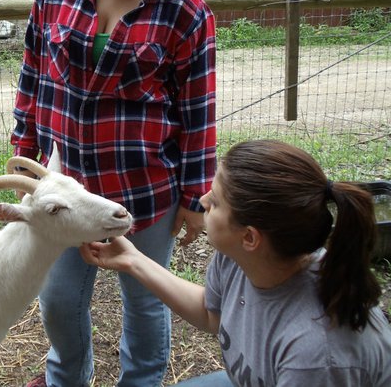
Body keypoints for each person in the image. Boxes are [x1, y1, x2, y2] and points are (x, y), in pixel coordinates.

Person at [11, 0, 216, 387]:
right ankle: (65, 378)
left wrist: (195, 198)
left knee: (146, 303)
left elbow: (198, 113)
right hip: (64, 186)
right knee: (57, 299)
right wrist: (25, 150)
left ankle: (141, 382)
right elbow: (33, 74)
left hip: (143, 190)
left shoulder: (185, 10)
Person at [81, 139, 391, 386]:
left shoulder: (317, 355)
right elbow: (212, 314)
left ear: (250, 238)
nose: (202, 201)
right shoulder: (240, 259)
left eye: (214, 202)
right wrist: (134, 260)